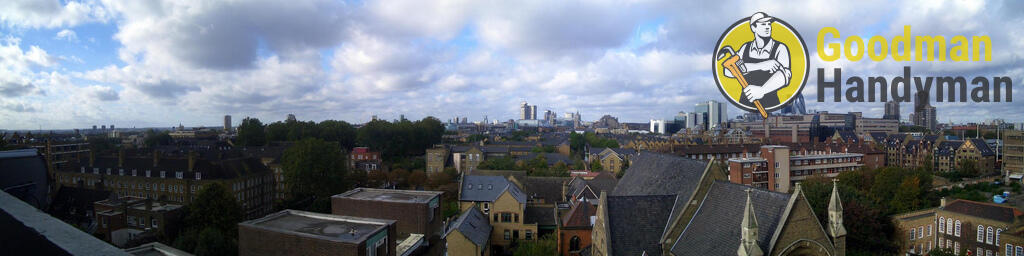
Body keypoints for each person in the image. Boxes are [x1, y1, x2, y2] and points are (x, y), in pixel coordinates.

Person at [723, 12, 792, 109]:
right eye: (763, 24)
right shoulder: (745, 47)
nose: (767, 27)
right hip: (745, 103)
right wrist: (761, 65)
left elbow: (785, 75)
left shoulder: (780, 48)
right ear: (753, 28)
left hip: (770, 105)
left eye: (769, 24)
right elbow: (728, 71)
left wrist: (762, 90)